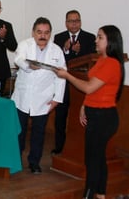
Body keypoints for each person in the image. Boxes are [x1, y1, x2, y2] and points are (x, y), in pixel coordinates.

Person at [54, 25, 124, 199]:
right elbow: (93, 89)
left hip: (104, 116)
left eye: (100, 37)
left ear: (111, 41)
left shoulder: (112, 63)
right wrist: (85, 106)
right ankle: (100, 194)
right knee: (97, 157)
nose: (96, 40)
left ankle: (89, 194)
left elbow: (88, 87)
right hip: (94, 113)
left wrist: (67, 75)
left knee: (92, 158)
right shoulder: (101, 59)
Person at [11, 17, 66, 174]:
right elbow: (18, 59)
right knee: (19, 131)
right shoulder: (25, 44)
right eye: (39, 32)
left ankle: (34, 162)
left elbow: (61, 76)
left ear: (50, 34)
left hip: (44, 98)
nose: (43, 36)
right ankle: (15, 160)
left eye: (46, 33)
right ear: (33, 32)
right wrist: (28, 65)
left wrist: (57, 99)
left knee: (39, 133)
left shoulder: (56, 51)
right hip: (22, 97)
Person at [52, 10, 96, 155]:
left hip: (81, 83)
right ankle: (60, 147)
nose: (74, 23)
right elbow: (57, 61)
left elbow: (90, 61)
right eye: (71, 21)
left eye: (77, 20)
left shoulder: (90, 38)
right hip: (63, 83)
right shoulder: (59, 38)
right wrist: (66, 49)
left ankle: (79, 147)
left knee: (81, 116)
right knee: (60, 116)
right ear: (66, 23)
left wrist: (77, 52)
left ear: (80, 22)